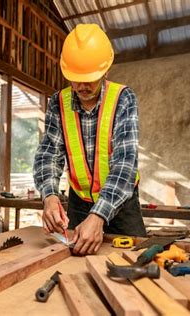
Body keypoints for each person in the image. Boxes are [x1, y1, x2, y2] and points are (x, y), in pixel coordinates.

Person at [33, 24, 146, 256]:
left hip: (121, 204)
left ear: (105, 71)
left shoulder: (123, 98)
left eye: (90, 79)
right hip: (79, 203)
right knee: (74, 263)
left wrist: (99, 215)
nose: (82, 86)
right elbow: (49, 154)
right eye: (75, 79)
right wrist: (50, 197)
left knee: (134, 261)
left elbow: (125, 164)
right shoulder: (58, 103)